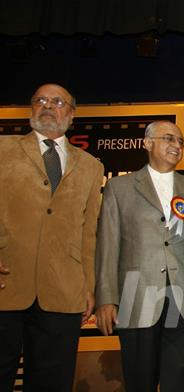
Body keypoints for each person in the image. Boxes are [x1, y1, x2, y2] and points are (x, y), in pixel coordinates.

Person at [0, 83, 104, 391]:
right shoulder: (4, 149)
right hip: (7, 283)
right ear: (31, 109)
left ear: (72, 115)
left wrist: (88, 285)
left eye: (58, 102)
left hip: (64, 291)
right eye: (40, 100)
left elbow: (89, 232)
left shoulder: (91, 166)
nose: (48, 105)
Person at [94, 120, 184, 392]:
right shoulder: (119, 188)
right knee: (139, 381)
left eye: (180, 142)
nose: (176, 146)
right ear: (147, 143)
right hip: (137, 299)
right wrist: (106, 298)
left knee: (180, 381)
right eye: (169, 139)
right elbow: (107, 246)